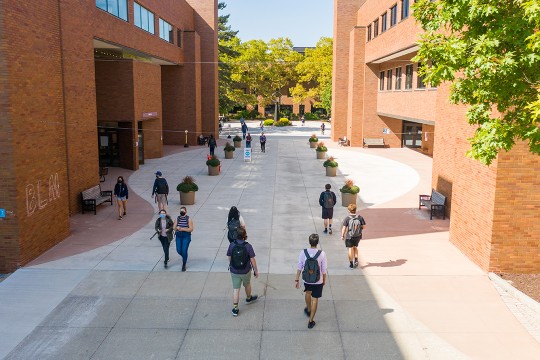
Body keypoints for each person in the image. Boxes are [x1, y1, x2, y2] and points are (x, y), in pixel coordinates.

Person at [295, 234, 327, 329]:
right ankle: (311, 321)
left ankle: (308, 309)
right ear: (317, 243)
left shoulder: (303, 252)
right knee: (315, 300)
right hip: (318, 281)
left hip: (307, 279)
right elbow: (324, 269)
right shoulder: (322, 254)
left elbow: (299, 266)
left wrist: (297, 279)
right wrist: (324, 280)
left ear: (309, 242)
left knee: (308, 293)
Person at [227, 227, 259, 317]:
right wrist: (256, 270)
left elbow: (229, 256)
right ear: (244, 235)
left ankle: (235, 308)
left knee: (236, 289)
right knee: (247, 284)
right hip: (245, 270)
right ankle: (248, 298)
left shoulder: (232, 245)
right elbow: (253, 260)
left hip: (234, 271)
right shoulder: (248, 246)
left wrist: (231, 264)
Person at [341, 204, 366, 269]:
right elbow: (364, 227)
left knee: (350, 249)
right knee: (355, 247)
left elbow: (344, 228)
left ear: (349, 210)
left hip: (349, 236)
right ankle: (356, 260)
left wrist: (342, 235)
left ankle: (351, 264)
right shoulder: (360, 217)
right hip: (358, 236)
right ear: (355, 210)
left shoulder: (347, 218)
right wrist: (358, 229)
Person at [173, 206, 194, 271]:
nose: (181, 212)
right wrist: (177, 228)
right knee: (179, 250)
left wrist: (183, 229)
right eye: (180, 211)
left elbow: (191, 229)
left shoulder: (188, 219)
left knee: (184, 250)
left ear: (185, 211)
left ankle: (184, 264)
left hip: (186, 236)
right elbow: (174, 227)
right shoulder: (177, 218)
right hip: (178, 235)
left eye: (183, 211)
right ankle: (184, 257)